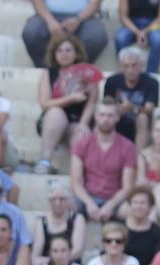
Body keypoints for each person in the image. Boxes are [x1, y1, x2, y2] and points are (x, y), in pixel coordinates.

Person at [34, 34, 100, 175]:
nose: (64, 54)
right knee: (56, 113)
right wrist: (70, 98)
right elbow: (45, 103)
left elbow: (92, 102)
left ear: (76, 53)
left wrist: (83, 123)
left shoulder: (86, 72)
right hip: (52, 121)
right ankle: (45, 162)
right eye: (60, 50)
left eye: (68, 50)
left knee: (81, 134)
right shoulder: (49, 72)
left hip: (77, 119)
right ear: (54, 53)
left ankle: (78, 174)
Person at [69, 99, 136, 223]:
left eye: (110, 115)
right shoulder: (81, 143)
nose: (105, 119)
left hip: (115, 200)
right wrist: (89, 204)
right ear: (95, 116)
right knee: (64, 203)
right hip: (87, 197)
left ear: (117, 117)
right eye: (102, 115)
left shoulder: (128, 147)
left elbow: (128, 186)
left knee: (133, 210)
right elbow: (75, 182)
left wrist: (110, 205)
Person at [23, 0, 106, 70]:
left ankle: (79, 71)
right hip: (47, 14)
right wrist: (50, 21)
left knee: (97, 36)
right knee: (31, 32)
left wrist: (78, 19)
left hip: (84, 16)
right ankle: (47, 70)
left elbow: (96, 3)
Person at [105, 46, 158, 149]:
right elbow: (106, 105)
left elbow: (149, 109)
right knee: (104, 116)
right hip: (118, 121)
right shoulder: (112, 81)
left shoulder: (152, 83)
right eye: (126, 66)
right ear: (120, 67)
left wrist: (132, 108)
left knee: (142, 117)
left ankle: (139, 159)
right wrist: (117, 110)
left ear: (141, 65)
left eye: (134, 65)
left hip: (141, 125)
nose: (130, 70)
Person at [30, 182, 85, 265]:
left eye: (62, 199)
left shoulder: (77, 219)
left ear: (68, 200)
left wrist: (57, 260)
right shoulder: (41, 221)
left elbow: (77, 251)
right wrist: (55, 261)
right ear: (49, 201)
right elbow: (36, 255)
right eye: (53, 199)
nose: (57, 202)